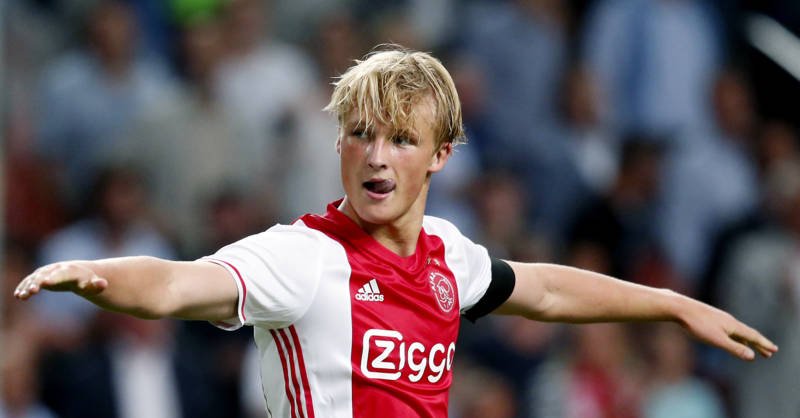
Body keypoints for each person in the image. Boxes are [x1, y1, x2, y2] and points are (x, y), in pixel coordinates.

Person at [15, 47, 777, 418]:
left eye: (401, 140)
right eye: (360, 135)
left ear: (441, 154)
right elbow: (179, 283)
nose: (376, 157)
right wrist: (100, 275)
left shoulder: (451, 255)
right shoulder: (301, 257)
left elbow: (544, 290)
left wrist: (671, 305)